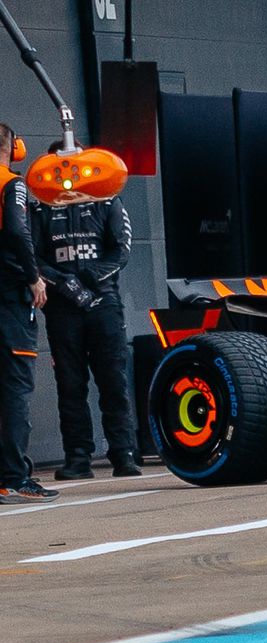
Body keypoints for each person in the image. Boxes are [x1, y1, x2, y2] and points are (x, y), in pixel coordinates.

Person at [31, 141, 141, 479]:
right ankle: (78, 458)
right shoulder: (39, 210)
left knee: (113, 378)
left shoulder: (107, 201)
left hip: (102, 303)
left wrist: (86, 279)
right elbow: (32, 256)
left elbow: (121, 251)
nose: (70, 174)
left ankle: (123, 454)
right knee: (70, 383)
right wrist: (64, 283)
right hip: (63, 309)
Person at [0, 123, 57, 504]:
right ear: (14, 147)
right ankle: (14, 478)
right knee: (16, 391)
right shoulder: (12, 184)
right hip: (9, 300)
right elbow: (19, 232)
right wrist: (34, 277)